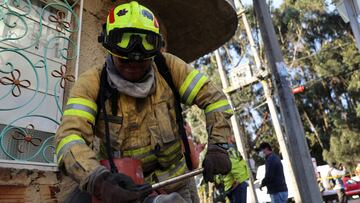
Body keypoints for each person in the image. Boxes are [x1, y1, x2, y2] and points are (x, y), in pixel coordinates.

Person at [55, 1, 233, 203]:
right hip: (124, 192)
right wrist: (98, 180)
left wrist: (219, 145)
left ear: (156, 47)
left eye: (143, 54)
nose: (134, 59)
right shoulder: (92, 84)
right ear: (109, 45)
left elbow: (215, 99)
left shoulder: (169, 68)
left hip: (177, 185)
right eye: (125, 51)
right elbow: (69, 137)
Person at [220, 136, 249, 203]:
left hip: (231, 185)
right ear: (228, 137)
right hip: (236, 186)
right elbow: (234, 165)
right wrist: (239, 180)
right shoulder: (230, 149)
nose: (234, 137)